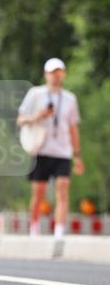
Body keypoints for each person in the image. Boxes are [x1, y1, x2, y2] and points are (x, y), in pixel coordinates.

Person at [17, 57, 83, 238]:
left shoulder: (70, 98)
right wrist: (38, 116)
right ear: (46, 74)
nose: (56, 76)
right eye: (53, 73)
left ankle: (59, 231)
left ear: (64, 74)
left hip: (63, 151)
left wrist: (77, 155)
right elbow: (20, 120)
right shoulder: (35, 94)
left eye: (59, 72)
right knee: (39, 192)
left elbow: (73, 127)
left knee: (63, 188)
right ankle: (34, 227)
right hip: (41, 149)